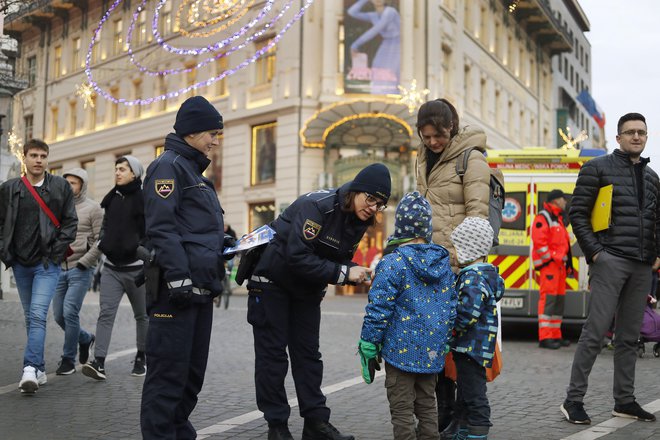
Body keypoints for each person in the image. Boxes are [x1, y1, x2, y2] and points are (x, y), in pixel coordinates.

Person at [247, 163, 391, 440]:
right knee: (273, 358)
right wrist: (345, 272)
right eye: (370, 198)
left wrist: (352, 270)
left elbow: (336, 258)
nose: (373, 207)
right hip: (271, 284)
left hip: (306, 291)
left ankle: (315, 424)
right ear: (356, 190)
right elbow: (298, 256)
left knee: (309, 357)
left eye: (380, 204)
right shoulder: (317, 206)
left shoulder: (359, 220)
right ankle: (277, 426)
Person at [140, 95, 234, 439]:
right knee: (167, 376)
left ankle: (179, 433)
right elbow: (161, 228)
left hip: (198, 291)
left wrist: (227, 246)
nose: (215, 140)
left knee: (191, 376)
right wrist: (179, 278)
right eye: (212, 132)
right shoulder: (168, 167)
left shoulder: (192, 171)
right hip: (175, 292)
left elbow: (195, 232)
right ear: (192, 132)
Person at [561, 113, 660, 425]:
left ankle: (625, 401)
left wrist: (657, 254)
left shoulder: (653, 178)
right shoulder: (597, 168)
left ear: (646, 137)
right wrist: (596, 254)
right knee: (595, 331)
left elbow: (656, 221)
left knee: (630, 338)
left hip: (642, 265)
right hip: (610, 259)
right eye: (629, 132)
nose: (636, 137)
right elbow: (577, 213)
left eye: (641, 132)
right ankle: (573, 400)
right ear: (618, 138)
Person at [415, 98, 491, 437]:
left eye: (439, 135)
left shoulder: (471, 159)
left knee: (463, 349)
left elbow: (478, 214)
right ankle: (444, 415)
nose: (433, 142)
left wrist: (465, 260)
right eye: (426, 136)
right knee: (438, 349)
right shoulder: (421, 157)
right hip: (430, 266)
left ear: (452, 128)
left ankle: (468, 418)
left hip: (458, 266)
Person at [359, 191, 457, 440]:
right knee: (427, 406)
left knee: (401, 410)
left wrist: (369, 342)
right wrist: (444, 341)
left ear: (400, 227)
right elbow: (450, 308)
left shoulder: (393, 263)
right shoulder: (442, 265)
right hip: (432, 353)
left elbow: (378, 307)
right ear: (426, 228)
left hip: (398, 351)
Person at [0, 139, 77, 394]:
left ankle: (30, 368)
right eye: (33, 155)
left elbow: (69, 223)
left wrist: (55, 254)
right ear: (25, 158)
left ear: (47, 159)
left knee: (36, 315)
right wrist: (6, 252)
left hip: (46, 264)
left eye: (43, 156)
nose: (38, 160)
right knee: (30, 317)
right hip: (20, 264)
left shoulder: (60, 187)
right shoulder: (10, 189)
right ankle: (41, 368)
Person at [82, 155, 148, 381]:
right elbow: (106, 228)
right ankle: (98, 362)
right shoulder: (111, 198)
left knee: (143, 316)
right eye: (116, 169)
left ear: (134, 173)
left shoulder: (144, 199)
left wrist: (142, 251)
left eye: (123, 169)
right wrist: (104, 244)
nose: (118, 172)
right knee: (106, 314)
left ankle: (141, 357)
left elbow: (149, 232)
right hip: (111, 267)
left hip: (137, 269)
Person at [448, 217, 504, 440]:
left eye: (457, 246)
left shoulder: (472, 278)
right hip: (478, 347)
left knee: (474, 396)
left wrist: (449, 324)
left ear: (467, 248)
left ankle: (478, 433)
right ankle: (462, 431)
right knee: (464, 394)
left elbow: (467, 314)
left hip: (470, 347)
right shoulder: (487, 275)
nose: (454, 251)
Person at [52, 168, 103, 375]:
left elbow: (101, 239)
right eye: (67, 182)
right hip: (58, 268)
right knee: (58, 316)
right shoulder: (57, 207)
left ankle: (68, 360)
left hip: (81, 268)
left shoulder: (94, 208)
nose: (70, 186)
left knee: (69, 312)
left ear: (82, 185)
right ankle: (85, 338)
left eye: (74, 183)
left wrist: (85, 261)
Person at [531, 189, 572, 350]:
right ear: (556, 200)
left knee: (558, 302)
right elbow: (539, 242)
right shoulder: (544, 217)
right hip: (550, 266)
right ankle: (545, 337)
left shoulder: (557, 218)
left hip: (559, 267)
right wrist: (554, 257)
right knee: (548, 301)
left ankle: (555, 335)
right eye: (563, 199)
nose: (565, 202)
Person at [347, 0, 401, 94]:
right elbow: (351, 12)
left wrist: (355, 44)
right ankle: (378, 96)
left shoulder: (390, 11)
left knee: (393, 72)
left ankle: (392, 97)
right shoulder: (373, 15)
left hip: (398, 45)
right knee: (377, 68)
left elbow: (376, 29)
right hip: (387, 44)